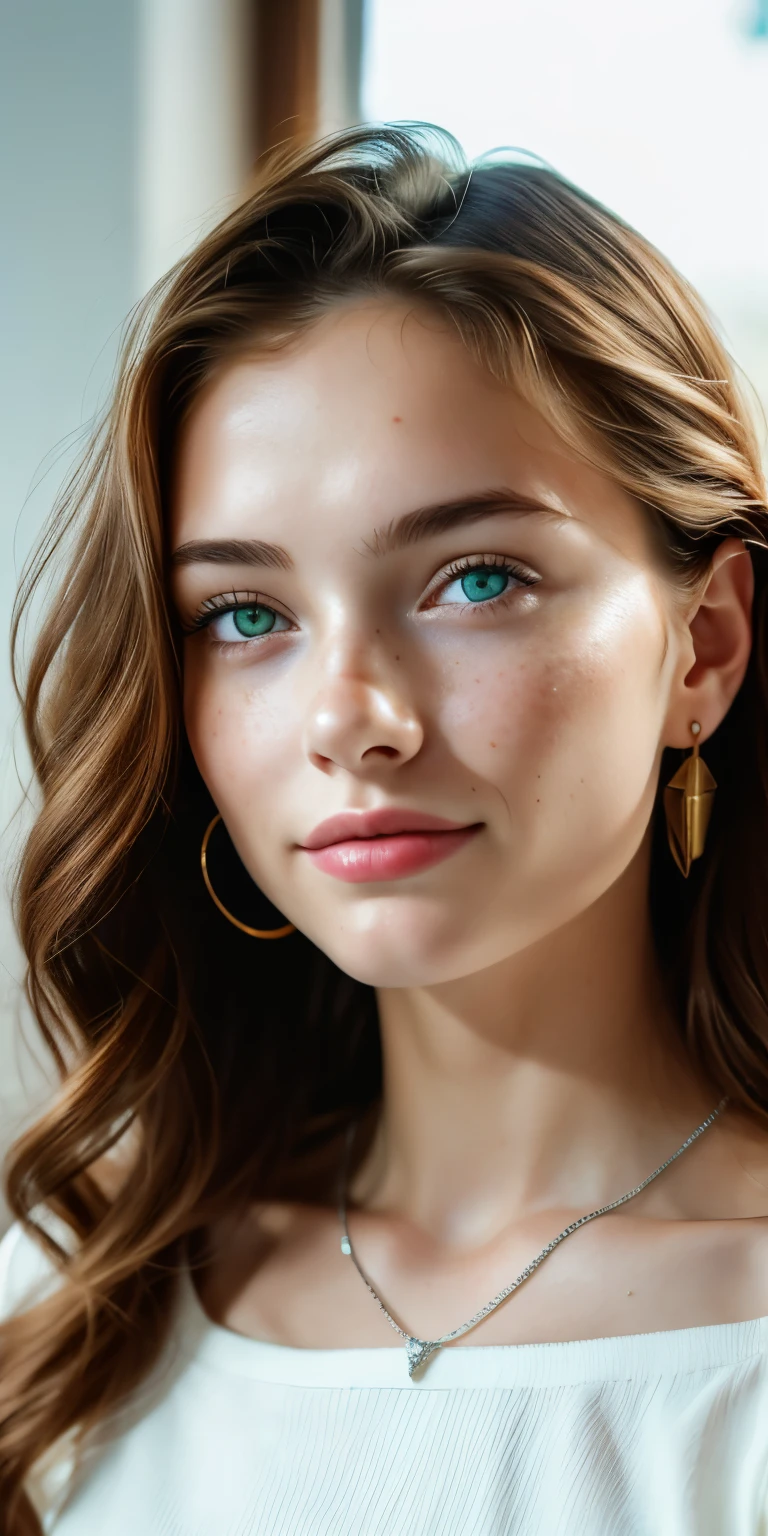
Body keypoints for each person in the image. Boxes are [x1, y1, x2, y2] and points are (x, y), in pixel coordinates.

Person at [1, 120, 768, 1535]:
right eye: (246, 616)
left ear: (704, 647)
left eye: (475, 579)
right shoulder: (73, 1312)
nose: (351, 717)